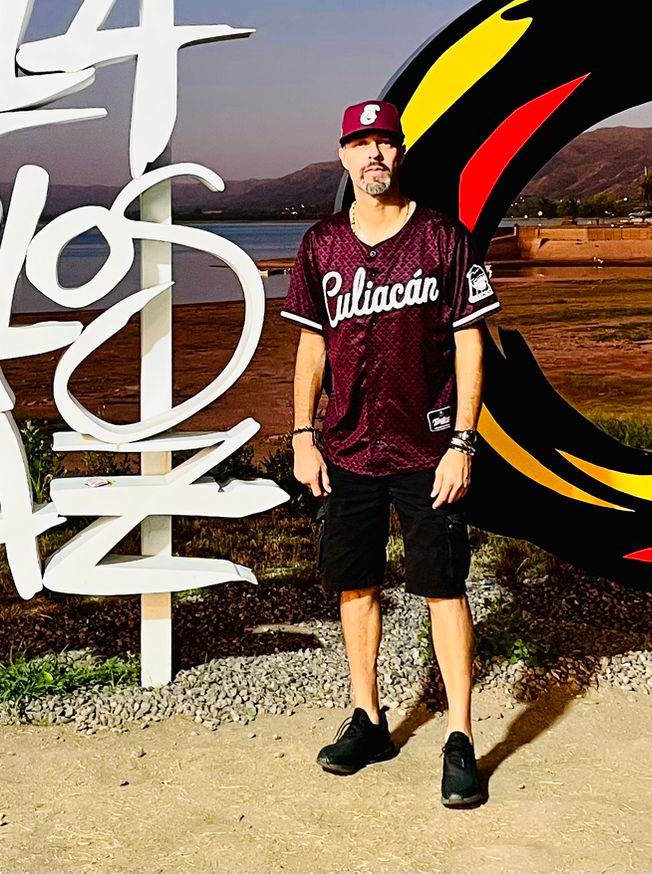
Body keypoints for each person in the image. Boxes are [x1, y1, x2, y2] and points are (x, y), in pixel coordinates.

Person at [282, 98, 500, 808]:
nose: (374, 153)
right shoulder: (321, 245)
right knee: (356, 585)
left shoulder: (442, 237)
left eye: (386, 141)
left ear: (399, 153)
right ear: (344, 155)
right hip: (348, 447)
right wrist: (303, 434)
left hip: (427, 447)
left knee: (444, 587)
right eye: (361, 142)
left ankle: (460, 736)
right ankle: (368, 719)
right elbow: (311, 345)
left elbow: (469, 342)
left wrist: (463, 442)